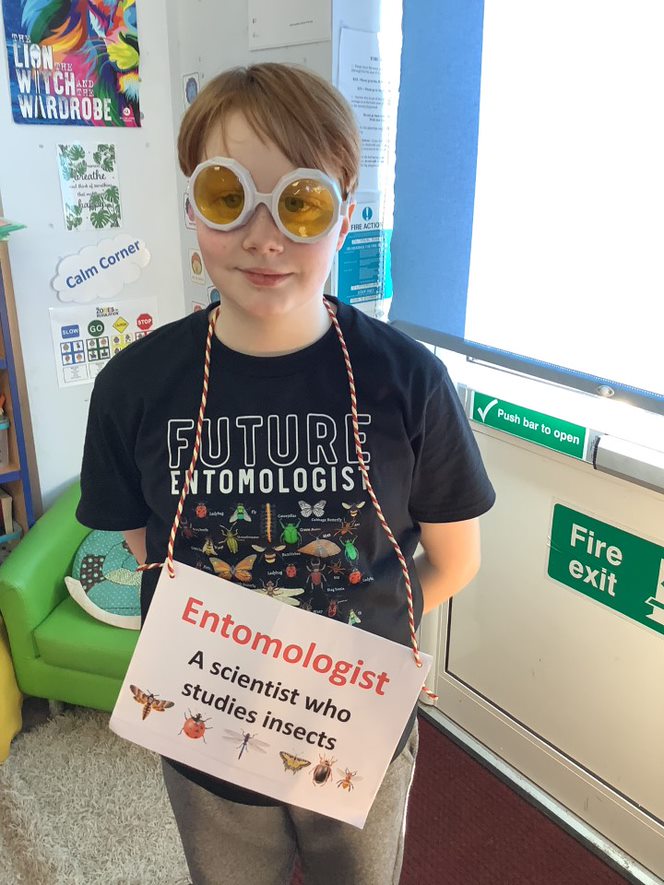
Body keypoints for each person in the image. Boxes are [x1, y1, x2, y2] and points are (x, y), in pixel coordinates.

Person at [77, 63, 495, 885]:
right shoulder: (134, 387)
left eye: (300, 203)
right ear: (193, 207)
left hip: (356, 726)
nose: (264, 237)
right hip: (207, 733)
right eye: (228, 197)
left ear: (344, 216)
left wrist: (356, 652)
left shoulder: (408, 382)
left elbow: (454, 560)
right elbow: (145, 546)